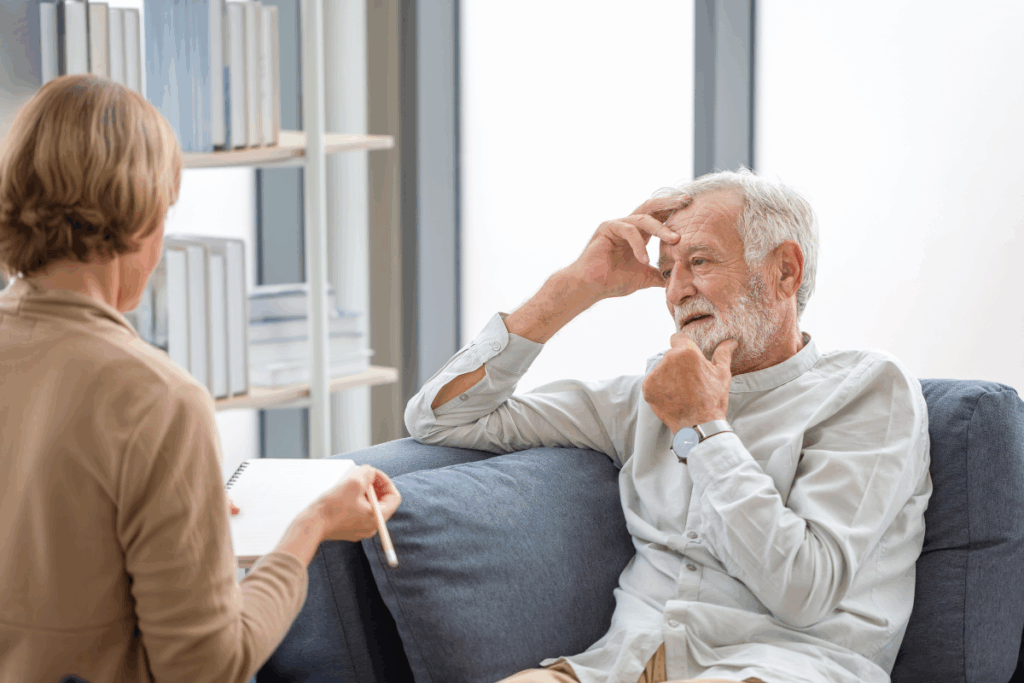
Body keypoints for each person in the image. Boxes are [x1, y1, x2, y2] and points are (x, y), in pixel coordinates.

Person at [405, 169, 932, 683]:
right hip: (620, 666)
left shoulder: (869, 389)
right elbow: (440, 417)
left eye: (699, 262)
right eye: (666, 272)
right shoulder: (647, 397)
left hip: (779, 665)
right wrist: (572, 288)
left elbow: (803, 589)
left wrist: (701, 427)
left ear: (785, 272)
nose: (675, 292)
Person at [0, 74, 401, 683]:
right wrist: (309, 529)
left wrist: (174, 509)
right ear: (139, 221)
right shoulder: (155, 399)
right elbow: (208, 667)